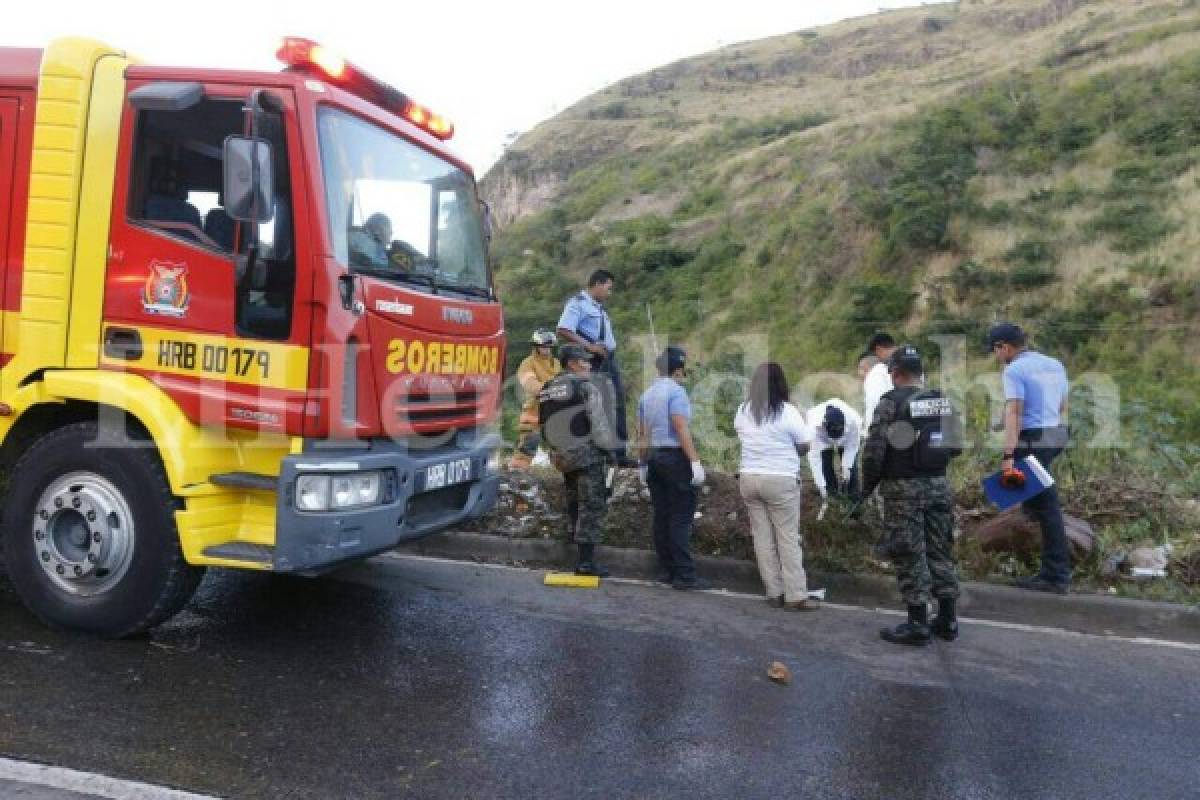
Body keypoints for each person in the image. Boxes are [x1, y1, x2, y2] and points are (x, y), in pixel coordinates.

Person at [862, 345, 963, 646]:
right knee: (940, 552)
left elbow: (875, 451)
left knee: (909, 553)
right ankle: (947, 619)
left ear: (895, 373)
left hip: (903, 489)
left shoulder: (890, 402)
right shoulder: (941, 401)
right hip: (939, 486)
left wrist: (867, 485)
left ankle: (918, 622)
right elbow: (955, 447)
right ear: (920, 373)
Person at [988, 323, 1072, 594]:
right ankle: (1039, 553)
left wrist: (1008, 454)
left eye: (995, 350)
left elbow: (1016, 413)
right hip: (1057, 434)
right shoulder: (1054, 364)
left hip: (1033, 439)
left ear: (1005, 347)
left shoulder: (1013, 370)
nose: (996, 356)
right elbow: (1060, 405)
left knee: (1042, 504)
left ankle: (1056, 575)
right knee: (1028, 498)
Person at [734, 363, 819, 611]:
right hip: (780, 480)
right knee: (788, 538)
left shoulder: (742, 410)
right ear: (781, 385)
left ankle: (774, 592)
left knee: (762, 537)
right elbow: (804, 446)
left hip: (749, 478)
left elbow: (744, 436)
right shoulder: (787, 411)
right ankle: (796, 596)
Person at [538, 344, 618, 577]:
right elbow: (599, 424)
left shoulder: (548, 388)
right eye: (584, 361)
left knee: (574, 502)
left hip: (562, 457)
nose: (589, 364)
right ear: (572, 363)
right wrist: (610, 451)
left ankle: (575, 548)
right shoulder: (585, 387)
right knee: (591, 506)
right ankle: (585, 563)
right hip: (586, 456)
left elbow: (542, 424)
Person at [637, 346, 708, 590]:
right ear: (678, 370)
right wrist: (695, 461)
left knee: (662, 516)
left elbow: (642, 434)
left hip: (654, 459)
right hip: (675, 458)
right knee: (680, 518)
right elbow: (680, 427)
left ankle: (666, 571)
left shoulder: (646, 395)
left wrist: (642, 463)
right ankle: (685, 576)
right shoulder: (676, 393)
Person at [557, 270, 635, 466]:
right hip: (593, 361)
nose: (610, 293)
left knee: (617, 405)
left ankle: (620, 454)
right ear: (598, 284)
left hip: (608, 359)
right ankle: (608, 456)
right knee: (601, 406)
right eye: (608, 288)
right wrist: (589, 346)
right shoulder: (578, 303)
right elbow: (564, 329)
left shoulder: (599, 308)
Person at [509, 329, 562, 469]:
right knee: (529, 444)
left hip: (554, 409)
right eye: (543, 346)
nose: (546, 349)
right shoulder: (528, 363)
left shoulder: (556, 363)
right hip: (534, 410)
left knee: (561, 445)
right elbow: (529, 382)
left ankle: (563, 475)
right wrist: (547, 390)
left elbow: (563, 380)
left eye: (549, 346)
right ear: (536, 346)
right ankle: (517, 473)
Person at [805, 399, 863, 500]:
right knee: (825, 464)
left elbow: (852, 448)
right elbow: (814, 459)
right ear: (824, 424)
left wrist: (846, 469)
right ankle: (832, 496)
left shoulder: (855, 422)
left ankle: (853, 500)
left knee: (851, 470)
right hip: (822, 439)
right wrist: (821, 486)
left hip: (847, 439)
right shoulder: (813, 426)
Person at [862, 332, 898, 430]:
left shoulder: (878, 372)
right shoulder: (914, 366)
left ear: (878, 350)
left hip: (887, 432)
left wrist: (869, 433)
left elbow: (874, 404)